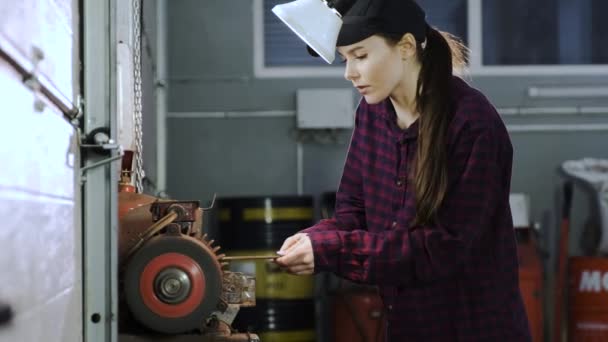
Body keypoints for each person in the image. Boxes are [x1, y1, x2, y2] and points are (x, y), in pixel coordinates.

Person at [275, 0, 531, 340]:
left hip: (473, 330)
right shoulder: (372, 114)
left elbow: (440, 249)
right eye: (345, 59)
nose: (349, 73)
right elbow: (353, 213)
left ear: (407, 47)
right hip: (408, 327)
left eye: (361, 56)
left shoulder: (472, 124)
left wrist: (330, 250)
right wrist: (315, 239)